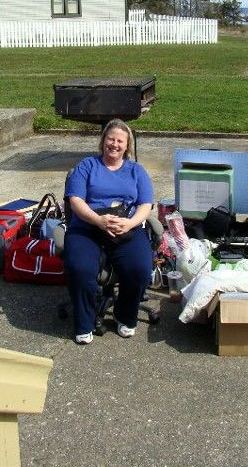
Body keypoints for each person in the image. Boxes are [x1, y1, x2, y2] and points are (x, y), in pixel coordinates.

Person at [63, 119, 155, 345]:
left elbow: (146, 204)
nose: (114, 144)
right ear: (103, 140)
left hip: (125, 228)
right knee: (80, 268)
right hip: (88, 227)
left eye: (120, 141)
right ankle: (84, 324)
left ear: (127, 146)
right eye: (110, 138)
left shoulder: (136, 171)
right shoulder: (87, 166)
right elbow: (75, 200)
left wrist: (131, 223)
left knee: (140, 268)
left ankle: (125, 315)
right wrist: (98, 220)